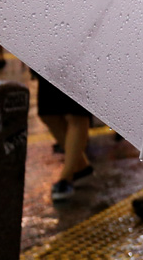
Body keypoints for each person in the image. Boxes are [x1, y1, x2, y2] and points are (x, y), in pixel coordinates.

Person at [34, 72, 93, 202]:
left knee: (76, 114)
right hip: (53, 56)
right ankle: (79, 164)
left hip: (82, 61)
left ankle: (66, 178)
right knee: (47, 113)